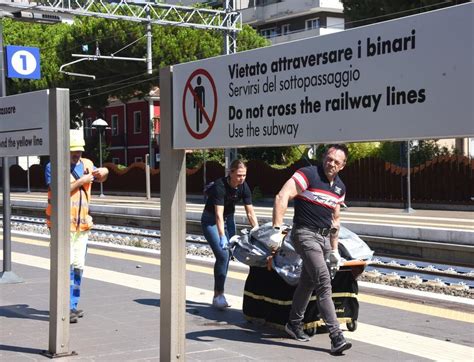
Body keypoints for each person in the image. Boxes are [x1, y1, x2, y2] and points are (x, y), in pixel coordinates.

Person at [272, 144, 352, 355]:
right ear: (323, 157)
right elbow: (282, 196)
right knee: (323, 281)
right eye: (329, 158)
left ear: (342, 166)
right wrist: (276, 229)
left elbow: (335, 219)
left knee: (308, 282)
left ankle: (293, 324)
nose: (331, 163)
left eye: (337, 161)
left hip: (324, 239)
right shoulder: (308, 174)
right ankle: (336, 337)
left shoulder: (340, 188)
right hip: (305, 234)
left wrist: (334, 249)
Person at [45, 129, 109, 323]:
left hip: (82, 225)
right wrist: (81, 181)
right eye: (73, 151)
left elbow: (102, 177)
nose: (77, 155)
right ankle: (63, 306)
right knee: (65, 265)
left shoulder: (87, 164)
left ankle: (72, 304)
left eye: (79, 151)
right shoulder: (53, 166)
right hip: (61, 224)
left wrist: (104, 171)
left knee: (78, 266)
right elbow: (56, 190)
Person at [201, 159, 258, 309]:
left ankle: (220, 294)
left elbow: (250, 212)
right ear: (230, 173)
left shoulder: (243, 186)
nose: (242, 178)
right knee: (223, 255)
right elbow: (218, 215)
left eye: (244, 175)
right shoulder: (220, 186)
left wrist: (258, 231)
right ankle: (218, 295)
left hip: (229, 219)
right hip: (210, 220)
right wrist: (222, 236)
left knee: (228, 255)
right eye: (239, 175)